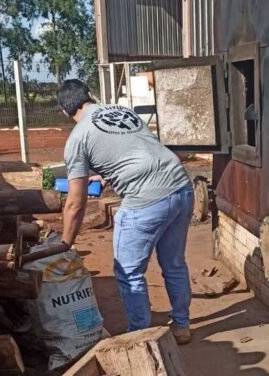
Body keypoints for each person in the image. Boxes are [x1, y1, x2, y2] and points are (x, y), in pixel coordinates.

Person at [56, 79, 194, 344]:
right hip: (180, 188)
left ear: (65, 111)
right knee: (174, 264)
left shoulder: (77, 138)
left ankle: (140, 336)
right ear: (90, 96)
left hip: (145, 201)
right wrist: (106, 177)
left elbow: (75, 202)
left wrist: (66, 242)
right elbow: (137, 150)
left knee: (129, 273)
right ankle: (181, 326)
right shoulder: (124, 111)